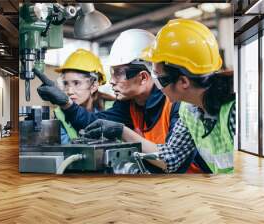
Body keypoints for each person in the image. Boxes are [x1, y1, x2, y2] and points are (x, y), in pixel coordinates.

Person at [83, 19, 236, 174]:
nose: (155, 82)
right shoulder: (189, 110)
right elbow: (170, 158)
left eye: (159, 77)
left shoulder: (233, 111)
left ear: (183, 81)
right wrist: (121, 131)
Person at [34, 29, 180, 172]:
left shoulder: (175, 104)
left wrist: (122, 131)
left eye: (118, 74)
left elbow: (170, 161)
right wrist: (65, 102)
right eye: (112, 73)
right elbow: (93, 124)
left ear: (143, 77)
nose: (112, 81)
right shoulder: (128, 104)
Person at [35, 49, 114, 144]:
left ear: (93, 86)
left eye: (76, 83)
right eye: (66, 84)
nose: (69, 91)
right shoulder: (60, 114)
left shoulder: (112, 107)